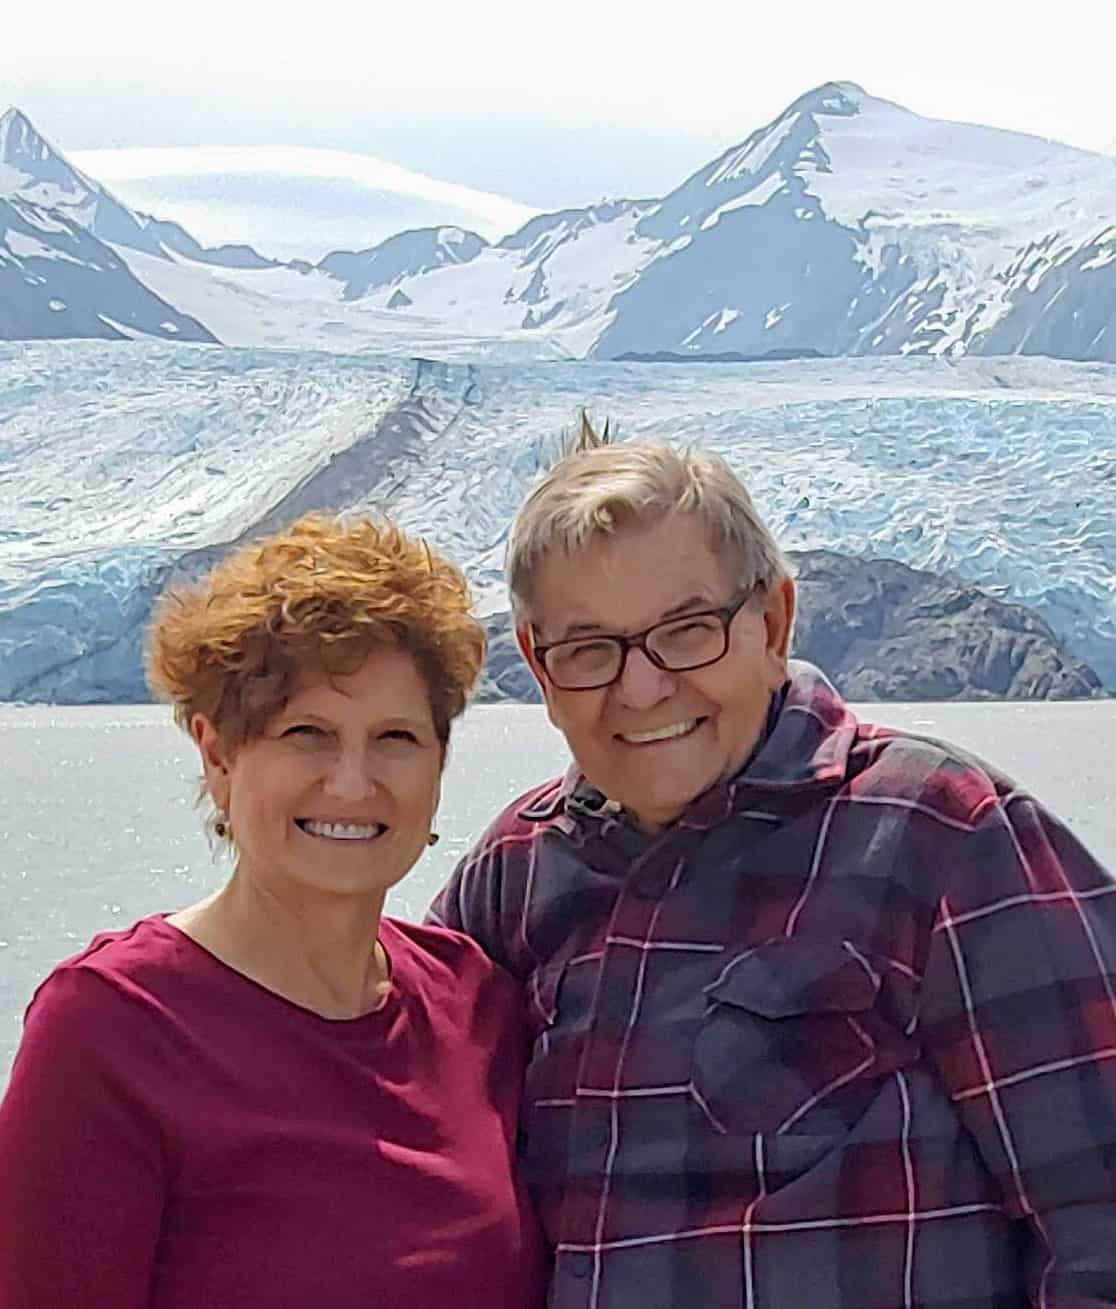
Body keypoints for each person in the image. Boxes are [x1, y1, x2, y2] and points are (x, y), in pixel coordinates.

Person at [430, 417, 1116, 1308]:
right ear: (539, 665)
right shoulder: (517, 873)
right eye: (590, 649)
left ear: (774, 619)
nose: (643, 687)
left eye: (687, 630)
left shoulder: (940, 835)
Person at [0, 514, 545, 1309]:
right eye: (307, 734)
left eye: (395, 736)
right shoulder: (112, 1033)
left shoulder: (477, 1003)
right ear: (218, 755)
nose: (354, 783)